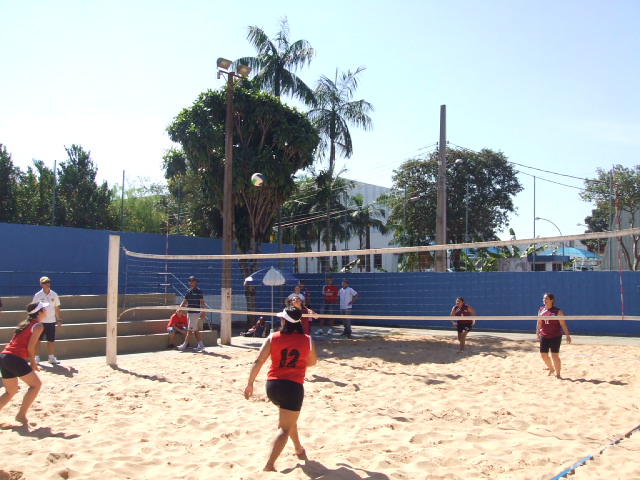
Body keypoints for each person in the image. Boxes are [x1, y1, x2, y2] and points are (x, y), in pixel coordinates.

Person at [244, 306, 318, 472]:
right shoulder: (307, 340)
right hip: (293, 387)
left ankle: (298, 448)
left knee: (288, 419)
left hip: (273, 387)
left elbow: (258, 361)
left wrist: (250, 383)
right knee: (284, 427)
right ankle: (269, 464)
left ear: (285, 321)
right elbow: (312, 362)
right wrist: (298, 363)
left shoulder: (273, 337)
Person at [0, 301, 46, 425]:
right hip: (14, 358)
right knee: (36, 385)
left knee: (10, 391)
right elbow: (31, 346)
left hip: (4, 356)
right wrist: (33, 362)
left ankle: (21, 415)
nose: (46, 311)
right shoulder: (38, 325)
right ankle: (21, 415)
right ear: (39, 312)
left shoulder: (25, 323)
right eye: (44, 309)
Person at [537, 292, 571, 378]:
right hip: (544, 335)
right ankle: (551, 369)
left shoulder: (557, 311)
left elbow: (563, 324)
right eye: (544, 298)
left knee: (554, 355)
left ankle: (558, 374)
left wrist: (567, 335)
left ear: (552, 300)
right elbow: (539, 322)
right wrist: (537, 333)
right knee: (543, 354)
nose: (544, 300)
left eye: (547, 299)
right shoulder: (541, 310)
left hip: (555, 336)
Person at [32, 276, 62, 364]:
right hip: (40, 322)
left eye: (48, 282)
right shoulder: (37, 295)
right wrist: (34, 320)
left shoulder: (54, 294)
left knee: (51, 340)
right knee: (38, 340)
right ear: (41, 284)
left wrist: (59, 320)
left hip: (51, 321)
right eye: (45, 283)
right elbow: (33, 308)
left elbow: (57, 308)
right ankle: (37, 358)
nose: (47, 284)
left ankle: (51, 357)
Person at [176, 276, 206, 352]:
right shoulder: (188, 291)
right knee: (195, 329)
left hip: (195, 313)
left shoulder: (198, 291)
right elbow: (184, 301)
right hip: (189, 312)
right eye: (190, 281)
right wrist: (179, 309)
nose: (191, 282)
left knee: (190, 330)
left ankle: (184, 346)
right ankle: (201, 345)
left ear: (195, 282)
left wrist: (203, 312)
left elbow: (202, 302)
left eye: (193, 281)